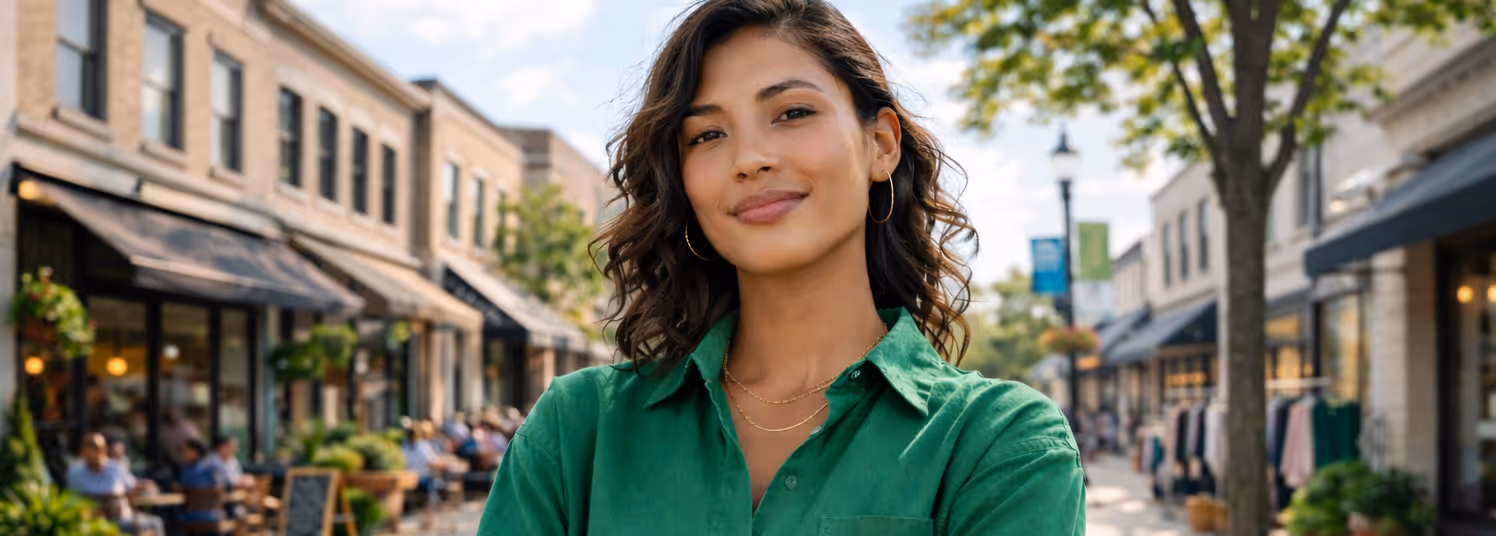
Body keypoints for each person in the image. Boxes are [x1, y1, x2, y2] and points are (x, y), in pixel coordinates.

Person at [476, 1, 1085, 534]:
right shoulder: (578, 429)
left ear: (881, 144)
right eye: (707, 134)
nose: (750, 158)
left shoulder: (997, 443)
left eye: (792, 113)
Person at [67, 433, 165, 535]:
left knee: (155, 522)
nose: (94, 452)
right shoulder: (76, 471)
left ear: (104, 449)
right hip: (94, 521)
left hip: (123, 516)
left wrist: (145, 485)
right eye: (90, 447)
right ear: (83, 450)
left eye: (97, 448)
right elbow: (75, 497)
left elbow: (132, 485)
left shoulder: (114, 467)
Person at [177, 439, 240, 523]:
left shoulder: (191, 471)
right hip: (215, 514)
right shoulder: (209, 469)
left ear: (195, 452)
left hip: (192, 515)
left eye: (186, 451)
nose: (183, 454)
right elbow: (226, 485)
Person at [404, 425, 449, 530]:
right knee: (436, 486)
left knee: (435, 484)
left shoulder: (405, 446)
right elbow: (431, 462)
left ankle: (429, 517)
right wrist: (443, 462)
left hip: (410, 480)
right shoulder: (422, 446)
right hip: (422, 479)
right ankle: (429, 518)